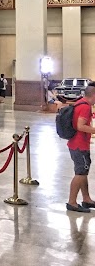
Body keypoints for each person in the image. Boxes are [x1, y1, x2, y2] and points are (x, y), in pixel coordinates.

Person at [66, 82, 95, 213]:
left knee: (83, 171)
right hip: (79, 145)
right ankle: (72, 202)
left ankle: (86, 198)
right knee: (80, 173)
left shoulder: (80, 102)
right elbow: (80, 126)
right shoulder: (86, 107)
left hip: (76, 144)